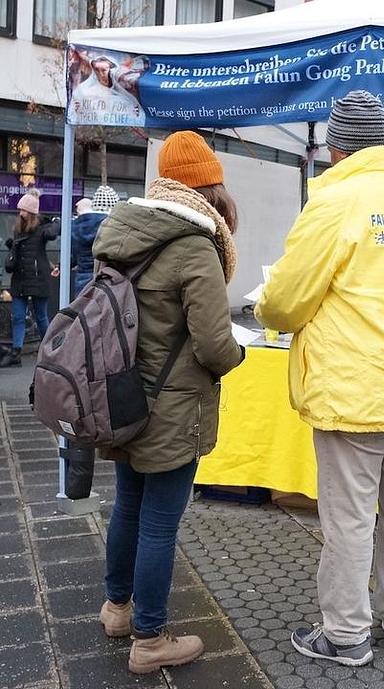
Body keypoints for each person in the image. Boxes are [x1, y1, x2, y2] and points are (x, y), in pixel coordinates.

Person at [256, 91, 384, 667]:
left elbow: (285, 303)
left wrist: (268, 307)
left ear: (336, 147)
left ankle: (346, 634)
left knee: (348, 518)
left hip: (358, 391)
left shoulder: (336, 203)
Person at [92, 131, 244, 674]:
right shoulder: (195, 244)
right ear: (209, 183)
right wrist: (239, 356)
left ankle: (117, 609)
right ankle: (150, 640)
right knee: (159, 523)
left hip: (120, 396)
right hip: (174, 407)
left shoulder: (118, 231)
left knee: (127, 507)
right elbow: (213, 343)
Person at [1, 189, 59, 368]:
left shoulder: (42, 228)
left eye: (24, 210)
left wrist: (55, 222)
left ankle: (50, 350)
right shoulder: (18, 229)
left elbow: (52, 232)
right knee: (18, 317)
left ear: (32, 212)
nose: (21, 213)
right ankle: (16, 353)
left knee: (41, 316)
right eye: (20, 210)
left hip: (38, 278)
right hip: (20, 279)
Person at [71, 185, 118, 296]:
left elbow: (73, 254)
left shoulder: (76, 226)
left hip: (82, 277)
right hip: (105, 277)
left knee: (82, 309)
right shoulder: (110, 226)